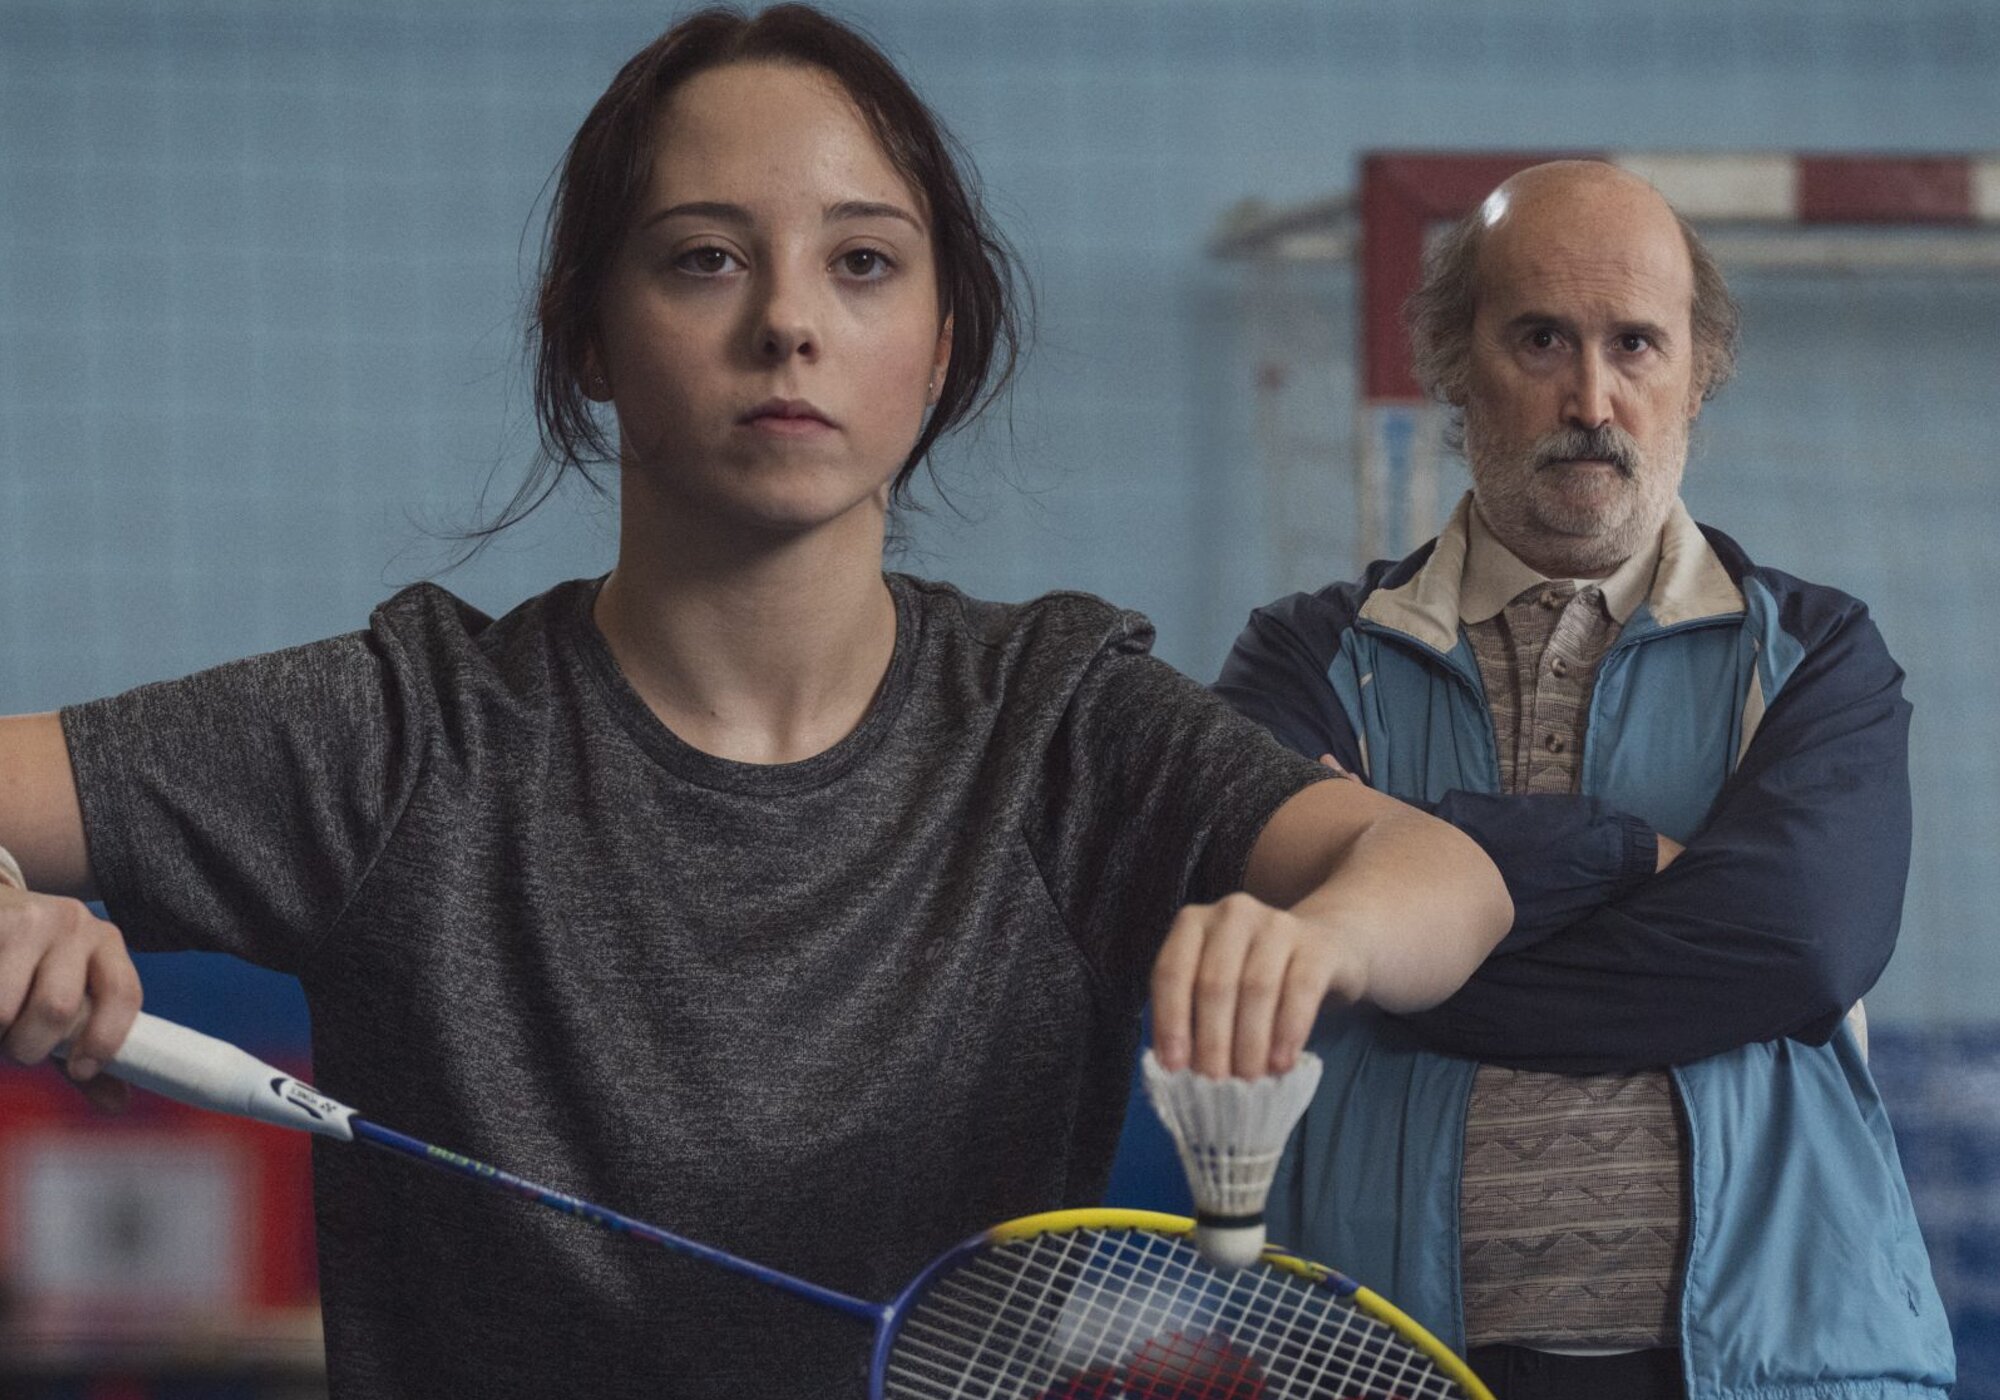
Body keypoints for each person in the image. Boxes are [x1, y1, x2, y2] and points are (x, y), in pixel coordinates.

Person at [0, 8, 1512, 1398]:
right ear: (587, 333)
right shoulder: (409, 737)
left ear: (939, 346)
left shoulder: (1056, 728)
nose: (789, 322)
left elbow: (1446, 883)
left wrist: (1310, 931)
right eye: (704, 258)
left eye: (862, 263)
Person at [1217, 159, 1954, 1400]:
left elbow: (1797, 945)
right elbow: (1271, 936)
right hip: (1381, 1365)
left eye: (1634, 343)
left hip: (1777, 1370)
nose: (1592, 395)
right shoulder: (1303, 660)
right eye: (1541, 338)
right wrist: (1617, 854)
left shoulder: (1816, 652)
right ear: (1454, 361)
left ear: (1697, 369)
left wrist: (1410, 954)